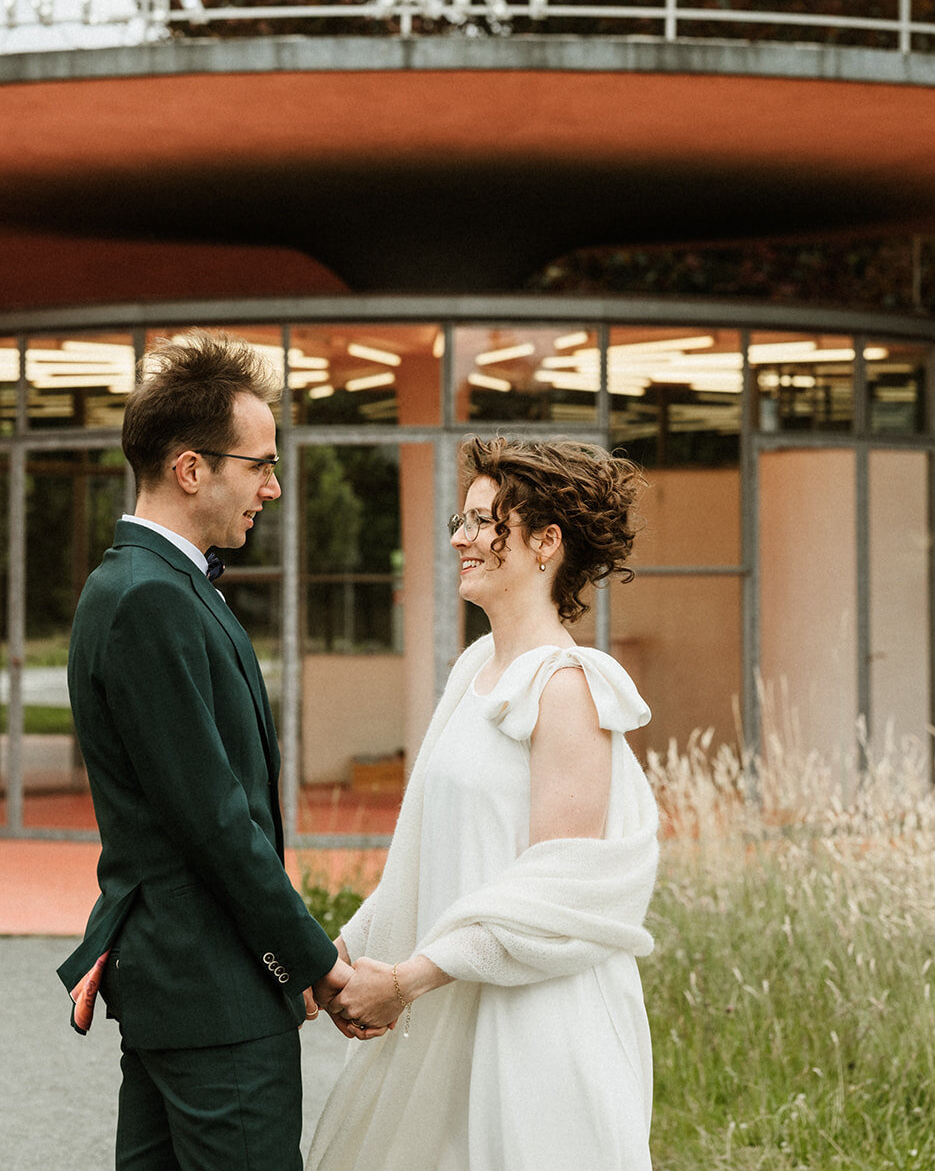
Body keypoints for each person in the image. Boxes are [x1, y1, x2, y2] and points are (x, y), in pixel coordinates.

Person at [57, 330, 370, 1171]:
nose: (272, 487)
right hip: (212, 996)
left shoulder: (148, 584)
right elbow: (214, 820)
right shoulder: (150, 597)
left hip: (184, 988)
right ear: (192, 469)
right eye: (259, 464)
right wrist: (310, 957)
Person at [308, 435, 660, 1171]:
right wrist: (337, 954)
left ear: (545, 543)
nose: (460, 539)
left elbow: (551, 899)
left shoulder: (567, 688)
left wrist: (406, 981)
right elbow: (422, 854)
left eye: (481, 521)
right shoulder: (474, 668)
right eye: (460, 522)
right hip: (455, 1013)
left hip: (536, 1034)